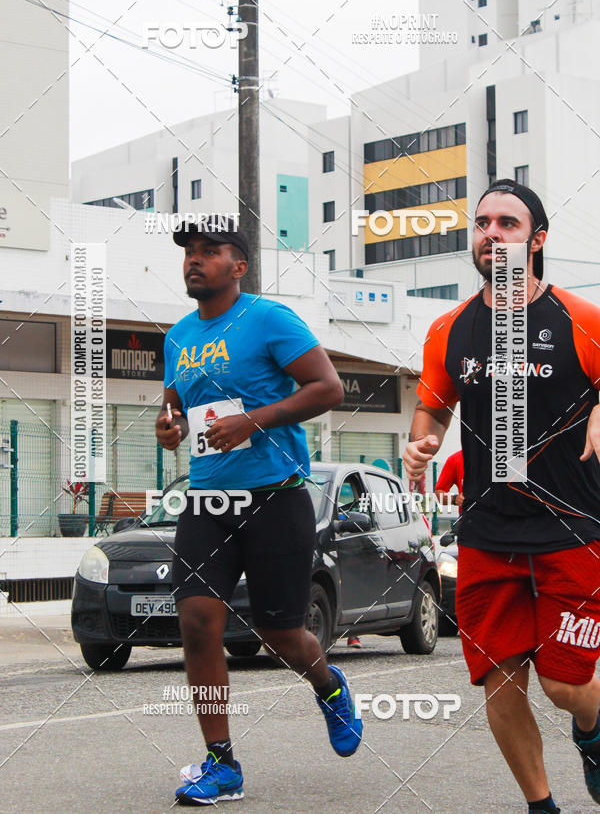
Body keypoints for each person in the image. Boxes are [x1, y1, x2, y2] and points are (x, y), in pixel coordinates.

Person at [402, 179, 600, 814]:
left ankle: (593, 733)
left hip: (572, 529)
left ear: (536, 241)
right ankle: (542, 807)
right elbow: (430, 411)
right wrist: (421, 443)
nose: (490, 233)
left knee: (566, 685)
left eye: (507, 223)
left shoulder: (583, 320)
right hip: (488, 533)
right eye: (482, 222)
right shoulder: (449, 330)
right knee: (500, 680)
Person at [155, 217, 363, 805]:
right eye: (190, 252)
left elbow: (328, 388)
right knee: (197, 622)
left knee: (280, 635)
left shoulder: (269, 319)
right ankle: (221, 764)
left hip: (275, 496)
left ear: (239, 266)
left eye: (210, 251)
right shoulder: (177, 337)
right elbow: (173, 409)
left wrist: (254, 419)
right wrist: (167, 430)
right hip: (208, 499)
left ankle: (328, 685)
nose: (195, 260)